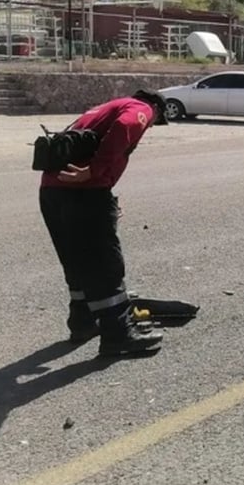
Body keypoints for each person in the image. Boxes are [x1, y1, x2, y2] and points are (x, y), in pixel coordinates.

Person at [38, 89, 168, 356]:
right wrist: (95, 173)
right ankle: (118, 336)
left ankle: (83, 322)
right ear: (156, 110)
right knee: (104, 264)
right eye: (156, 121)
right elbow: (126, 125)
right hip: (84, 192)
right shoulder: (140, 108)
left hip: (52, 192)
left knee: (76, 261)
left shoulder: (99, 110)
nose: (151, 125)